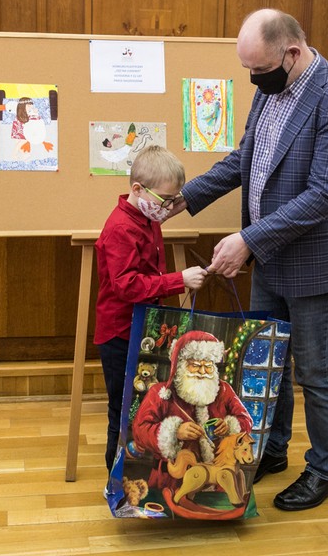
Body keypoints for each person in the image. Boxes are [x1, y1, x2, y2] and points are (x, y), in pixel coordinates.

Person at [169, 9, 328, 511]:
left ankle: (326, 470)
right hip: (273, 259)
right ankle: (273, 450)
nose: (253, 80)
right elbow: (244, 160)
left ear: (293, 53)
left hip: (316, 263)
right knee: (268, 363)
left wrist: (249, 240)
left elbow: (325, 193)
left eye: (258, 70)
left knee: (315, 372)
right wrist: (186, 197)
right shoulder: (269, 89)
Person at [94, 145, 207, 473]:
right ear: (138, 190)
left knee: (144, 408)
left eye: (174, 201)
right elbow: (127, 286)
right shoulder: (121, 228)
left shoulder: (147, 218)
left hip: (143, 330)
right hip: (119, 335)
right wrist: (178, 280)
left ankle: (139, 477)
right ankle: (115, 479)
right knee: (122, 410)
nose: (169, 208)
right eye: (165, 200)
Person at [131, 330, 253, 491]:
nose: (203, 372)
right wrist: (174, 431)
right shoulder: (160, 393)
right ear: (181, 365)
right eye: (196, 366)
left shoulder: (224, 390)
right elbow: (139, 430)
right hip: (171, 482)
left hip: (218, 481)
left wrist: (229, 427)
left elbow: (246, 421)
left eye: (208, 366)